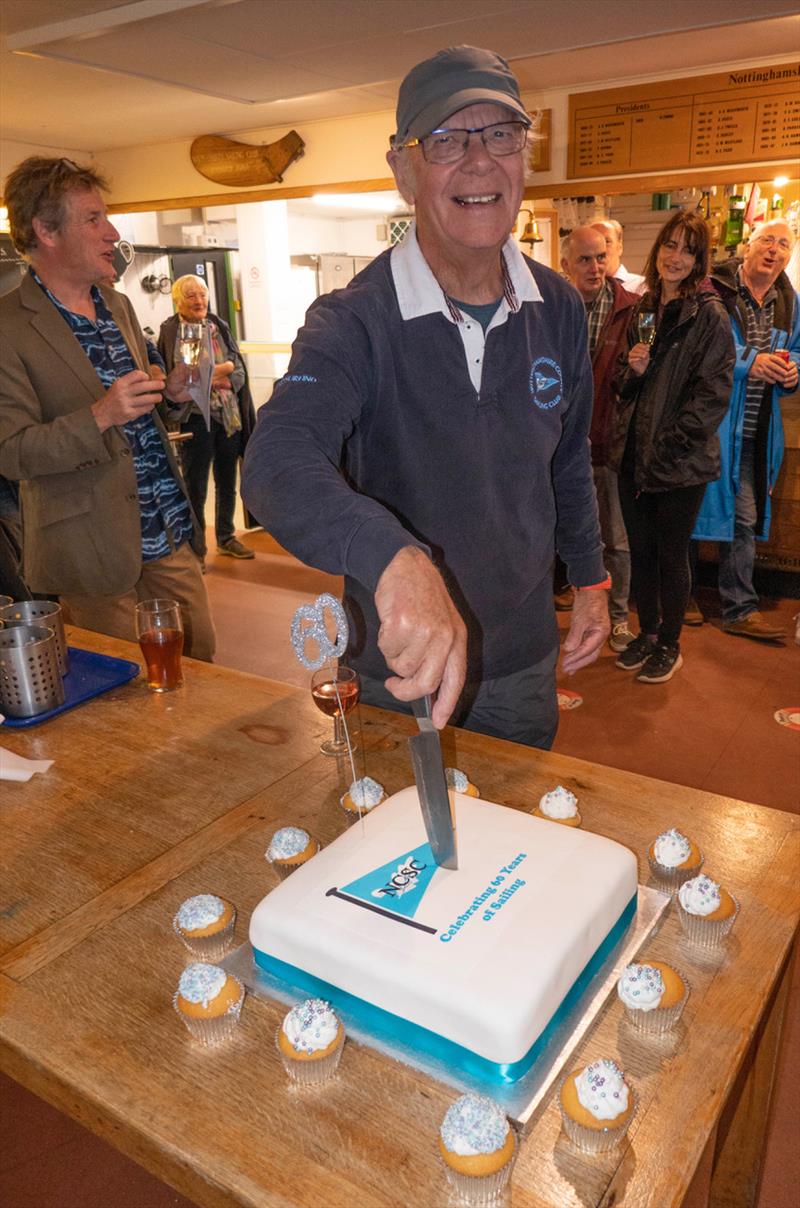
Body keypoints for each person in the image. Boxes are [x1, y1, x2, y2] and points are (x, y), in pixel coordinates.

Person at [242, 46, 610, 748]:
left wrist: (590, 577)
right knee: (407, 848)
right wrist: (392, 556)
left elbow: (565, 463)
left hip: (525, 662)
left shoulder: (557, 305)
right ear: (404, 169)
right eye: (446, 140)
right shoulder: (353, 319)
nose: (479, 161)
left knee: (526, 841)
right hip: (400, 671)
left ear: (525, 156)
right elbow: (277, 461)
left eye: (501, 134)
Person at [0, 156, 215, 659]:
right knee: (129, 694)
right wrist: (100, 415)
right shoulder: (7, 327)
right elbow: (10, 452)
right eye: (93, 219)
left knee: (202, 664)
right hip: (88, 549)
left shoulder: (117, 304)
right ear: (46, 232)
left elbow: (139, 417)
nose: (112, 232)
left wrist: (171, 398)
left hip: (168, 527)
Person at [609, 209, 734, 683]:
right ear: (657, 248)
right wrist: (632, 371)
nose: (675, 257)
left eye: (688, 249)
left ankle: (670, 644)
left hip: (679, 463)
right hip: (632, 456)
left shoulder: (710, 315)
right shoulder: (643, 308)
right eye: (670, 245)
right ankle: (647, 632)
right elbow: (619, 383)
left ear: (700, 261)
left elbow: (711, 397)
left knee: (670, 554)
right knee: (640, 551)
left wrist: (667, 448)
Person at [694, 219, 799, 641]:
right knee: (685, 509)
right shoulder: (714, 290)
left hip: (755, 431)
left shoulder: (790, 302)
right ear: (748, 246)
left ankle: (739, 607)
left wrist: (792, 374)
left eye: (785, 245)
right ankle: (681, 598)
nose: (774, 250)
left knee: (744, 516)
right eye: (767, 241)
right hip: (706, 424)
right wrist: (748, 361)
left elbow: (798, 352)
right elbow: (701, 344)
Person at [561, 226, 637, 652]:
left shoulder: (632, 309)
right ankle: (578, 610)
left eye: (600, 257)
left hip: (609, 442)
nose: (595, 266)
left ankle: (620, 617)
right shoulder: (553, 307)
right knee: (563, 531)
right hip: (561, 444)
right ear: (567, 265)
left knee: (616, 538)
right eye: (585, 259)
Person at [159, 276, 256, 561]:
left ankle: (226, 537)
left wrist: (215, 375)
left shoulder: (218, 326)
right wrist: (218, 371)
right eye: (191, 296)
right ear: (178, 300)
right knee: (195, 486)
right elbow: (180, 380)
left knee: (227, 481)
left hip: (228, 415)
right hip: (194, 417)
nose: (199, 301)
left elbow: (238, 371)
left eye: (202, 295)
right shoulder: (171, 331)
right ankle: (196, 549)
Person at [591, 220, 646, 295]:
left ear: (620, 248)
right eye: (594, 243)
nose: (600, 248)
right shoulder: (578, 290)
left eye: (607, 241)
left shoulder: (642, 287)